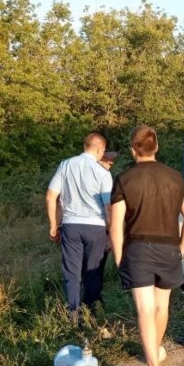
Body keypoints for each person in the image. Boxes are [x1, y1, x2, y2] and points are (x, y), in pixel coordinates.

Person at [109, 125, 184, 366]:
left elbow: (115, 224)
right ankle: (156, 349)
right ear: (156, 147)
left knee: (144, 310)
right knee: (161, 308)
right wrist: (181, 247)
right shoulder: (175, 178)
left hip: (138, 249)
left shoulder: (124, 180)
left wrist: (119, 255)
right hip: (169, 247)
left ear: (132, 149)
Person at [46, 131, 113, 320]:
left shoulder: (66, 165)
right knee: (93, 271)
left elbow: (51, 196)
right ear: (100, 150)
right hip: (96, 227)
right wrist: (112, 230)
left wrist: (53, 225)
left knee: (72, 272)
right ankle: (89, 313)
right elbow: (108, 206)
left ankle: (72, 315)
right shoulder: (102, 173)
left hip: (71, 226)